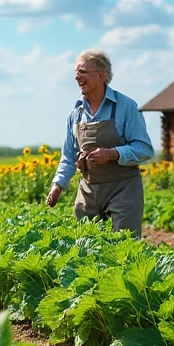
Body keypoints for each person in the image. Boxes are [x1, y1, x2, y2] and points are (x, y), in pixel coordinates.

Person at [45, 49, 154, 237]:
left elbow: (144, 149)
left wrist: (112, 154)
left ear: (101, 76)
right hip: (88, 189)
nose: (77, 77)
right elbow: (68, 156)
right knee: (85, 246)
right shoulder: (76, 114)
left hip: (123, 189)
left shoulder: (126, 107)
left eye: (82, 72)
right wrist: (58, 185)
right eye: (76, 72)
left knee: (124, 246)